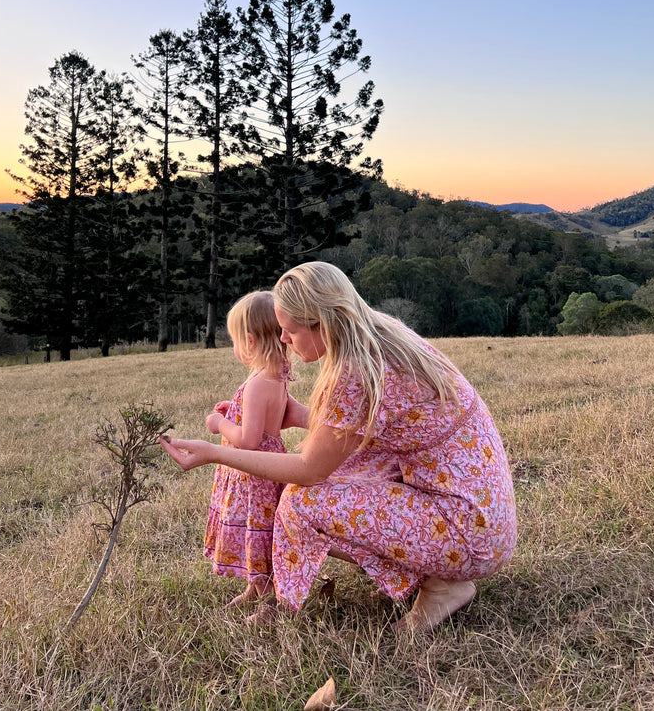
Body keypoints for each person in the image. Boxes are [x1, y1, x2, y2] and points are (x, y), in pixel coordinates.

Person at [160, 262, 517, 630]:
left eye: (290, 331)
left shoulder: (353, 372)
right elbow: (371, 426)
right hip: (482, 513)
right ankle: (429, 573)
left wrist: (215, 452)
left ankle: (440, 583)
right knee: (344, 473)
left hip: (468, 532)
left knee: (299, 501)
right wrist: (302, 414)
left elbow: (310, 469)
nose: (283, 340)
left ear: (323, 323)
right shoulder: (378, 332)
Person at [200, 290, 291, 607]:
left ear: (250, 341)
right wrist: (235, 411)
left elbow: (249, 441)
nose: (235, 347)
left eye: (235, 340)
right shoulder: (277, 375)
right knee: (263, 531)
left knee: (258, 530)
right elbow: (267, 421)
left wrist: (220, 424)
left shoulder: (256, 384)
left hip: (253, 475)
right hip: (269, 466)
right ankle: (255, 588)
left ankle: (269, 602)